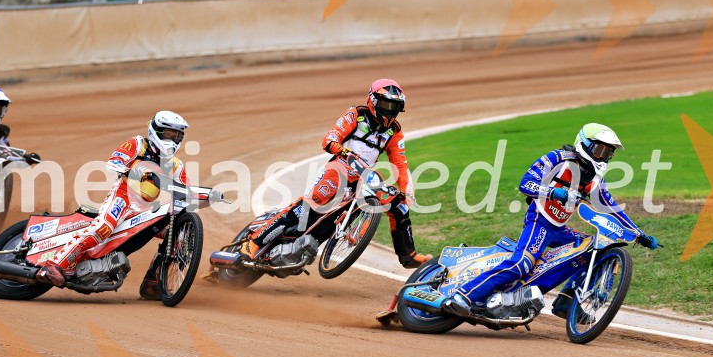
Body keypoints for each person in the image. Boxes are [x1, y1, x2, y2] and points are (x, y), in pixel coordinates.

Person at [426, 124, 659, 318]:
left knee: (595, 248)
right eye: (599, 150)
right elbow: (525, 183)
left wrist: (638, 233)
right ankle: (462, 295)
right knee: (521, 264)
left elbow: (611, 208)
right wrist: (552, 192)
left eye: (609, 153)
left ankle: (567, 301)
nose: (603, 157)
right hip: (540, 220)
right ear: (584, 144)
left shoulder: (596, 177)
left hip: (560, 229)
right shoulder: (559, 158)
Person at [245, 79, 431, 269]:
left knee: (399, 206)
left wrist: (407, 192)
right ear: (373, 101)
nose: (390, 110)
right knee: (307, 208)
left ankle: (408, 255)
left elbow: (400, 163)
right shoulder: (356, 115)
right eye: (386, 104)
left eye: (395, 106)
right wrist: (341, 150)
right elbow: (329, 139)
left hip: (364, 175)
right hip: (340, 167)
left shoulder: (394, 131)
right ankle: (255, 242)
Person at [37, 110, 192, 300]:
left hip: (145, 209)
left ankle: (153, 283)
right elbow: (114, 162)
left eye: (177, 135)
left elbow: (187, 189)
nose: (172, 139)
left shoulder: (176, 164)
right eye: (168, 133)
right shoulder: (138, 144)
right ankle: (54, 264)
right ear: (156, 131)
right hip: (123, 197)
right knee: (102, 227)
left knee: (174, 235)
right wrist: (132, 171)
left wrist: (209, 196)